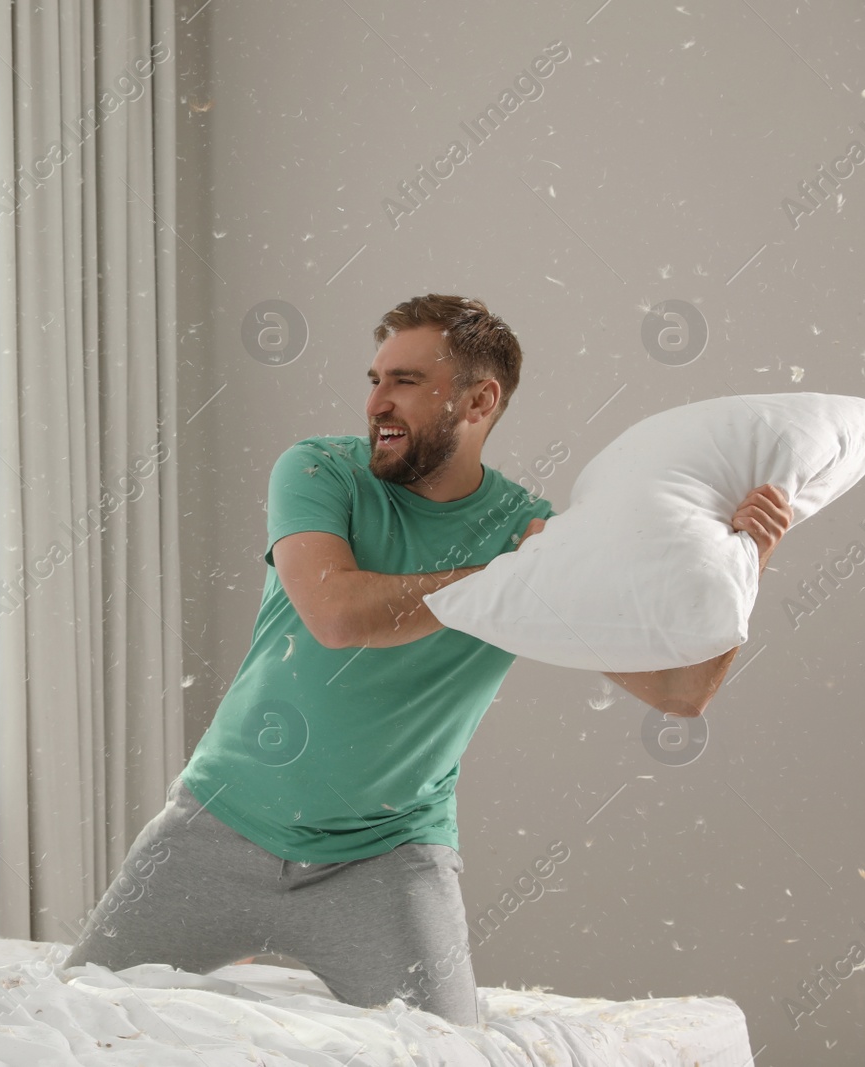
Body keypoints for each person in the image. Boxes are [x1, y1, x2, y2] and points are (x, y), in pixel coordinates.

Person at [62, 294, 792, 1026]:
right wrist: (507, 580)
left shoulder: (528, 534)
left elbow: (678, 691)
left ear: (479, 400)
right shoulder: (321, 471)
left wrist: (740, 569)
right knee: (66, 1022)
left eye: (405, 381)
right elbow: (337, 614)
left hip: (386, 859)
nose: (377, 400)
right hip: (216, 826)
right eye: (375, 378)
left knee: (447, 1050)